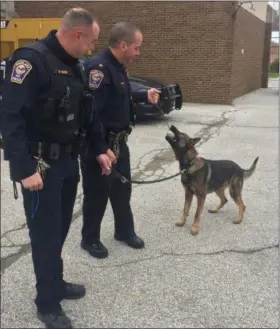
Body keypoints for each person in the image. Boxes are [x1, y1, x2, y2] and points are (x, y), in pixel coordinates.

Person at [0, 8, 112, 329]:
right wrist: (23, 169)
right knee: (45, 235)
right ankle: (47, 303)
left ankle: (56, 282)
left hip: (68, 163)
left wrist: (101, 148)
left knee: (60, 228)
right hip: (40, 167)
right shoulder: (31, 61)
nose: (91, 48)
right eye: (90, 41)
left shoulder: (74, 67)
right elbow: (10, 117)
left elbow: (87, 113)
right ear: (77, 34)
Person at [80, 22, 160, 259]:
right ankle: (89, 239)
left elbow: (121, 90)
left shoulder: (116, 66)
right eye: (136, 48)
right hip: (100, 145)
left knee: (122, 189)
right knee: (97, 193)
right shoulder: (98, 68)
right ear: (123, 45)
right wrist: (101, 148)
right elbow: (91, 113)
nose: (138, 52)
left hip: (118, 143)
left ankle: (124, 232)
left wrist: (144, 93)